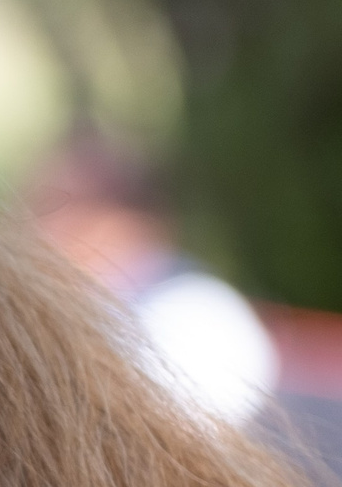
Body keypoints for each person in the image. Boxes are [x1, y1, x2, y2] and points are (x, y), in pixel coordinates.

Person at [26, 132, 277, 428]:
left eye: (56, 205)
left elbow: (181, 442)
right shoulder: (101, 301)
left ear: (122, 215)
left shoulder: (194, 310)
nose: (38, 228)